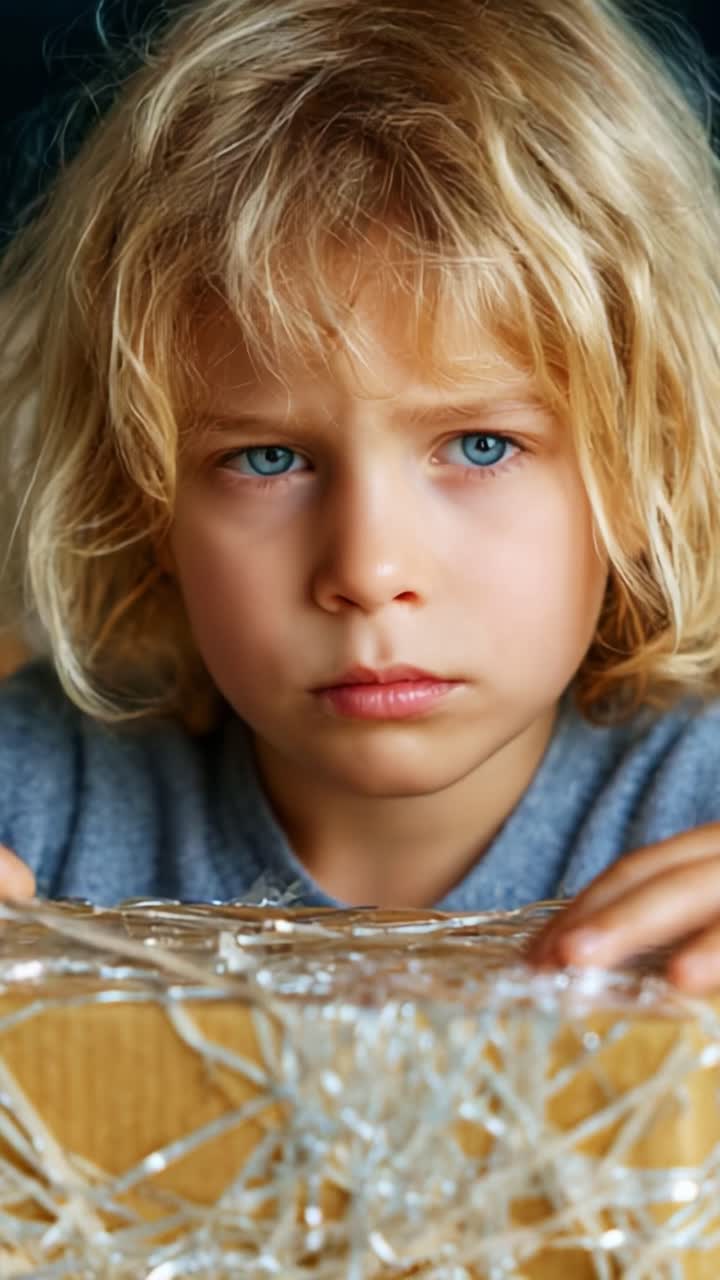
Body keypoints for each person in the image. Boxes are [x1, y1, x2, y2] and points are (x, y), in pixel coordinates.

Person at [1, 0, 720, 991]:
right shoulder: (35, 801)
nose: (368, 571)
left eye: (479, 444)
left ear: (648, 468)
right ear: (145, 498)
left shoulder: (702, 810)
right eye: (265, 460)